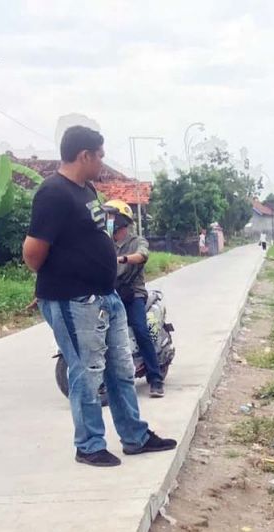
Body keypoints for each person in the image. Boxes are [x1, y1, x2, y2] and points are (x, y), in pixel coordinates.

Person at [22, 125, 176, 468]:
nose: (103, 162)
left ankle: (134, 436)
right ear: (84, 155)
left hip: (106, 297)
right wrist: (66, 277)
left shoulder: (86, 189)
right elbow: (33, 252)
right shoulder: (53, 193)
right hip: (73, 300)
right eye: (101, 155)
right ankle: (89, 445)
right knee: (86, 373)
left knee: (120, 370)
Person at [105, 200, 164, 398]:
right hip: (109, 293)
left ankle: (155, 379)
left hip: (133, 294)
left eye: (111, 217)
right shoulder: (105, 242)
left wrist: (123, 259)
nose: (108, 221)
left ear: (122, 220)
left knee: (140, 329)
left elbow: (142, 255)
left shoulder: (137, 241)